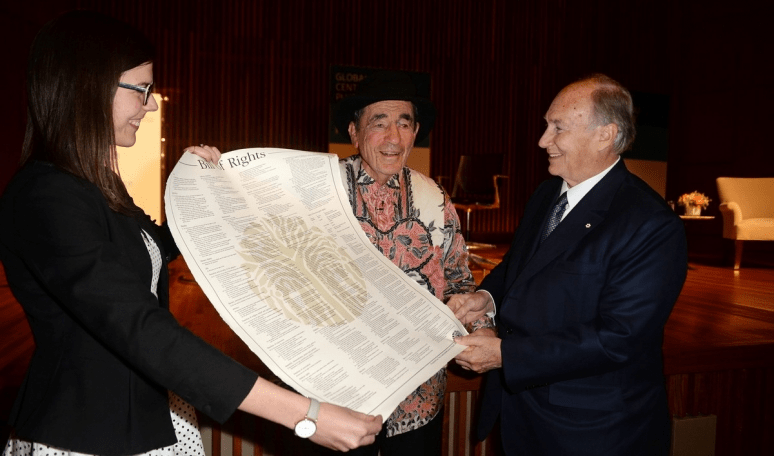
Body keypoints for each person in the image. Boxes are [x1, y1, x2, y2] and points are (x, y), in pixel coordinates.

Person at [0, 11, 380, 456]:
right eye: (141, 90)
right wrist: (305, 414)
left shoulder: (94, 186)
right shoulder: (45, 196)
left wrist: (202, 192)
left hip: (147, 414)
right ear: (88, 85)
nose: (152, 104)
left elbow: (151, 251)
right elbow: (137, 325)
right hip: (89, 431)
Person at [449, 74, 688, 456]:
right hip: (520, 416)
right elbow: (519, 267)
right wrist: (486, 298)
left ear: (605, 135)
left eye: (557, 128)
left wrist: (505, 356)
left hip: (593, 432)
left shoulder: (650, 224)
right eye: (547, 125)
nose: (543, 140)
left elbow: (619, 337)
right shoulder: (547, 193)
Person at [331, 70, 493, 456]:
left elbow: (457, 278)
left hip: (417, 392)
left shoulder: (433, 196)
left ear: (416, 132)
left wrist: (482, 327)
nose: (393, 137)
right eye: (379, 123)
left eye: (404, 124)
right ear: (354, 132)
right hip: (339, 392)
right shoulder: (323, 189)